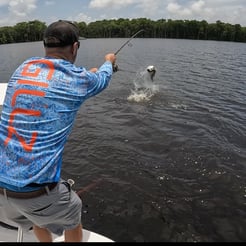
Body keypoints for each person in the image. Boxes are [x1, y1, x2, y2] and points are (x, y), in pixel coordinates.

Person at [0, 20, 116, 242]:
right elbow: (102, 79)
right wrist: (108, 61)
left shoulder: (24, 67)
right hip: (34, 195)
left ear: (45, 46)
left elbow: (57, 81)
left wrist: (84, 75)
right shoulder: (79, 80)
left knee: (35, 217)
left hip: (2, 187)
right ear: (75, 47)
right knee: (73, 212)